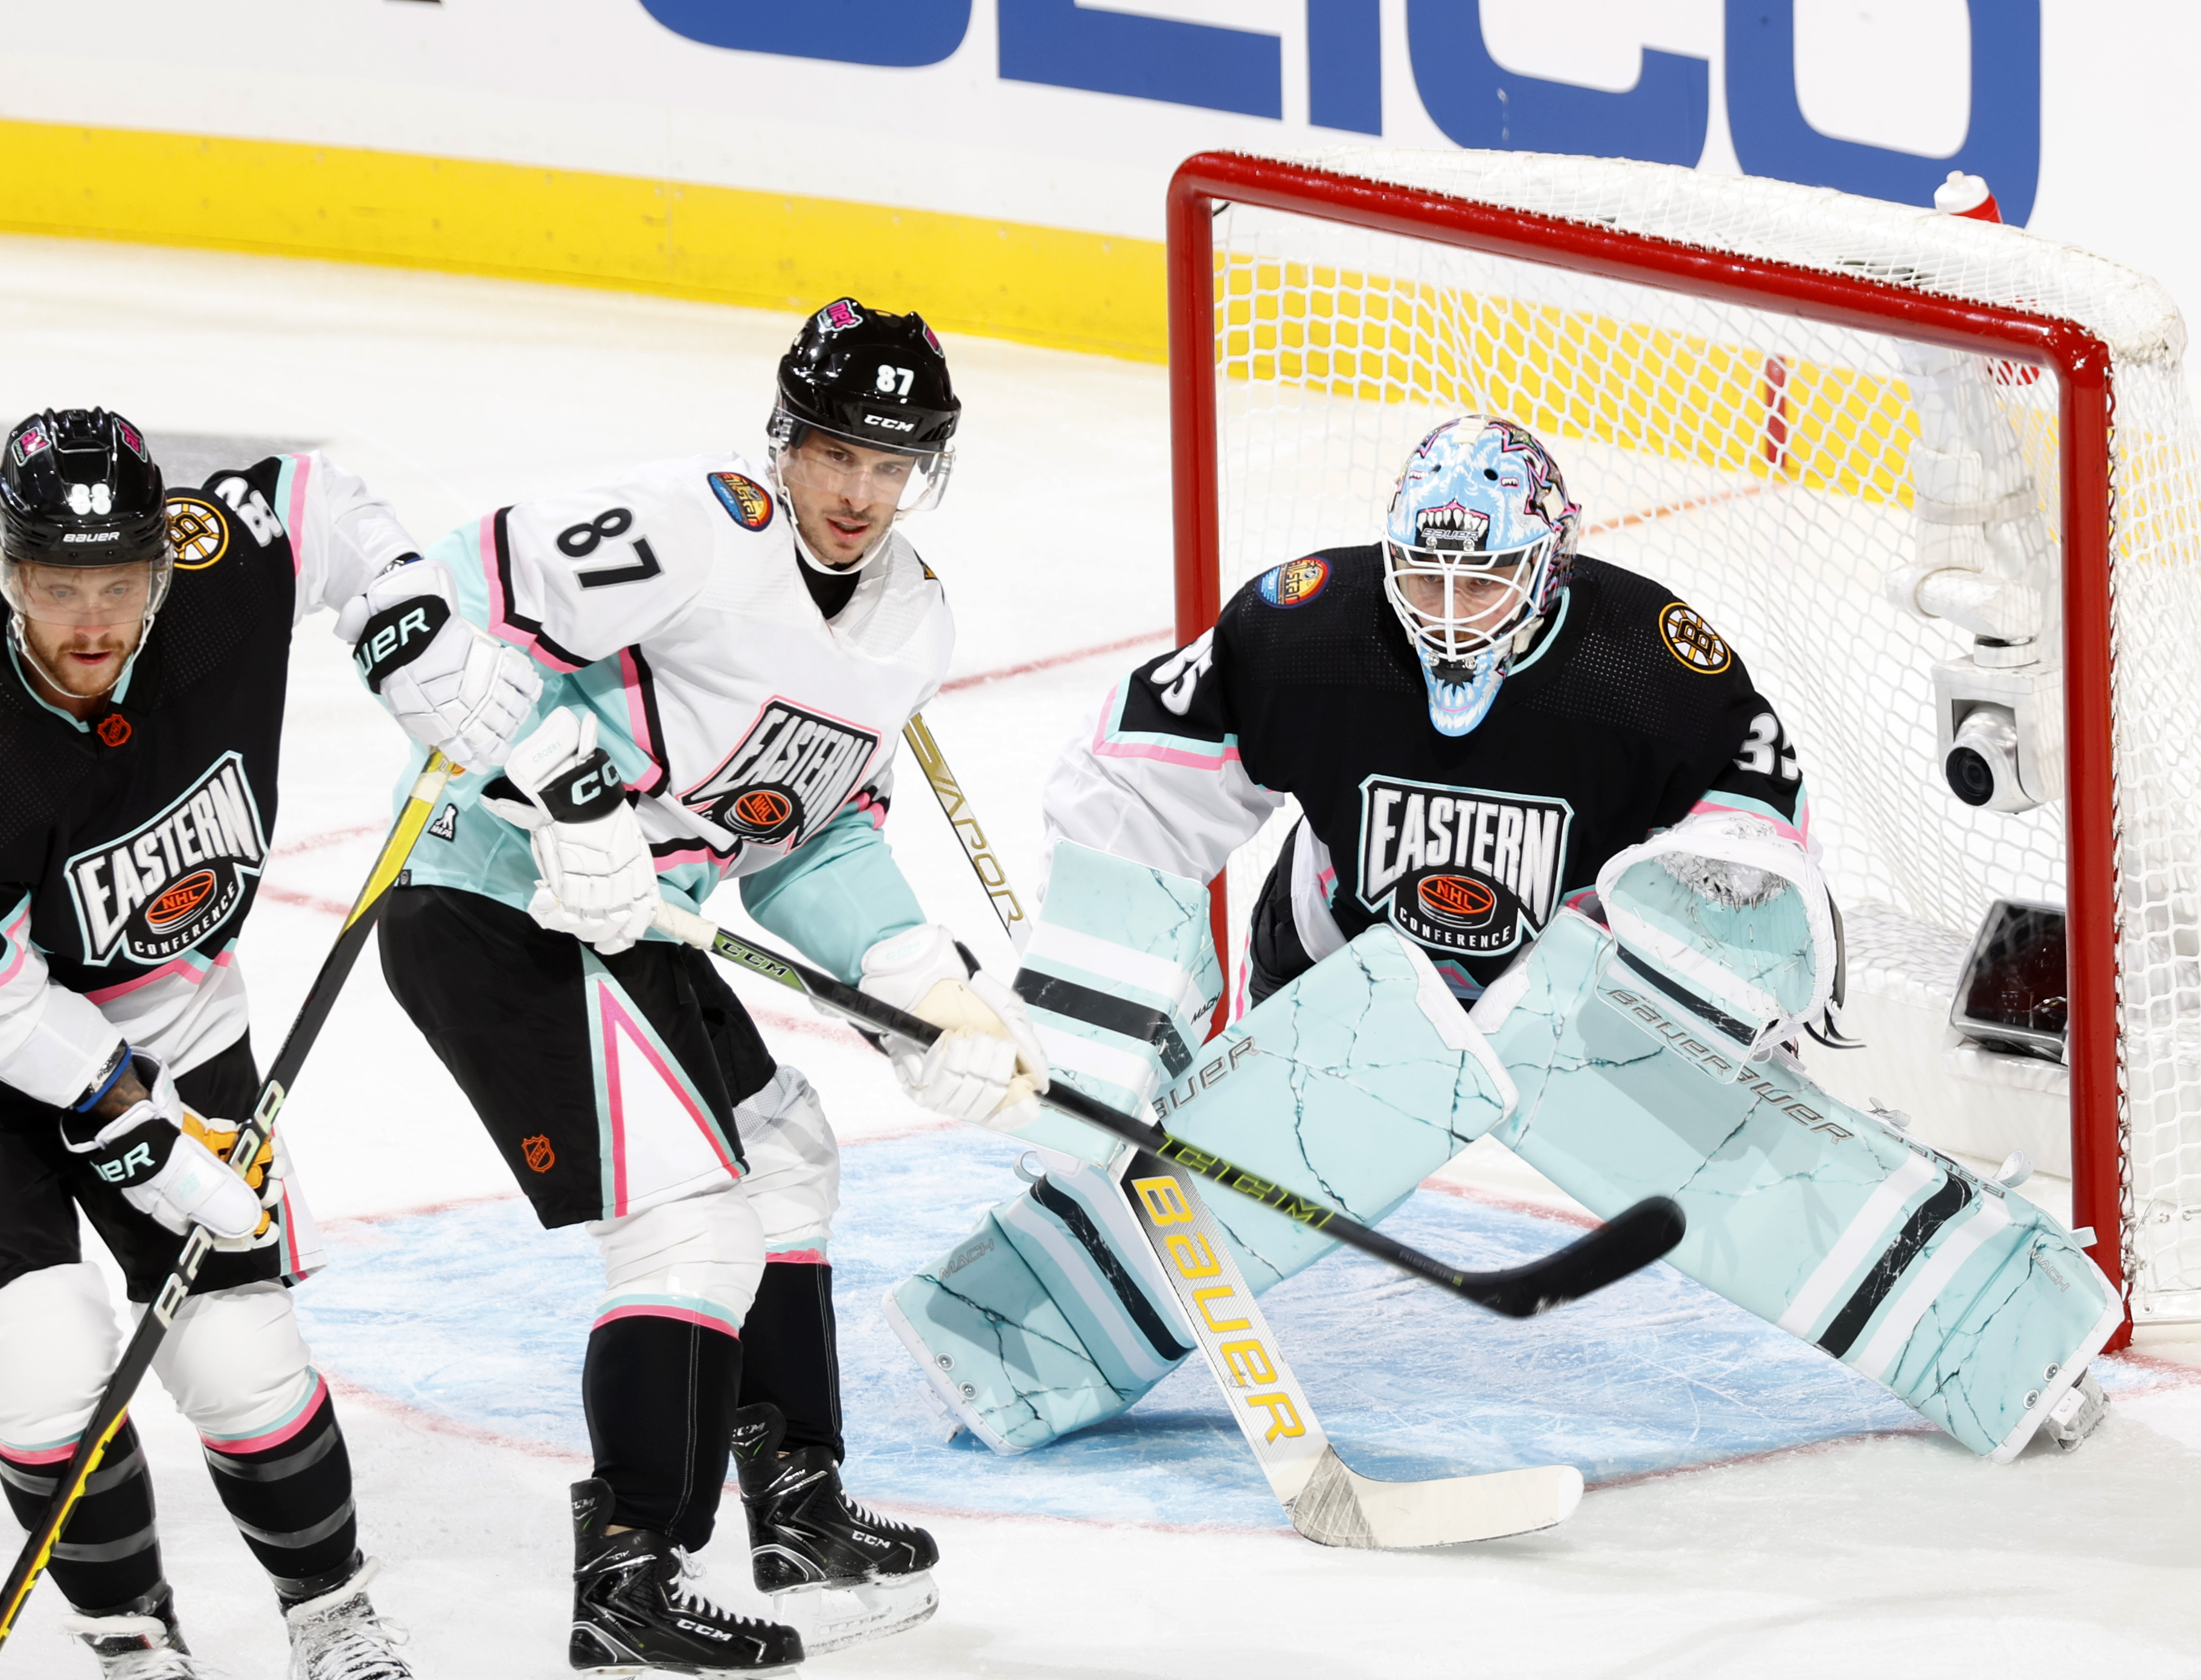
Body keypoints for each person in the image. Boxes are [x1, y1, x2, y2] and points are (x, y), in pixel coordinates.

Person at [887, 414, 2121, 1471]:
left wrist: (1689, 1009)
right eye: (1422, 584)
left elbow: (1755, 855)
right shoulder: (1302, 630)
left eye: (1480, 585)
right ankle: (1009, 1335)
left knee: (1738, 1146)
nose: (1447, 616)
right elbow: (1136, 793)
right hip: (1335, 969)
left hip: (1562, 990)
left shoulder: (1649, 669)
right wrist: (1107, 1034)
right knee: (1204, 1158)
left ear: (1550, 564)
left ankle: (1999, 1326)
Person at [353, 298, 1046, 1680]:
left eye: (893, 462)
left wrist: (921, 986)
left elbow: (812, 835)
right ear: (785, 438)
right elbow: (439, 620)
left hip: (642, 928)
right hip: (489, 904)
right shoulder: (689, 527)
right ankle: (630, 1584)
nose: (860, 492)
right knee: (686, 1220)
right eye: (838, 453)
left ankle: (792, 1505)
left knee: (785, 1156)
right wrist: (557, 790)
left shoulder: (910, 615)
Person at [0, 410, 449, 1680]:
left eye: (116, 582)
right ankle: (135, 1645)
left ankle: (331, 1613)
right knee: (46, 1373)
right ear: (1, 568)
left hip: (168, 1009)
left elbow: (318, 492)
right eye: (54, 585)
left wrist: (418, 636)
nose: (90, 618)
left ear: (158, 566)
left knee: (241, 1356)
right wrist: (129, 1124)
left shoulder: (213, 569)